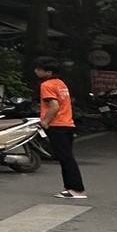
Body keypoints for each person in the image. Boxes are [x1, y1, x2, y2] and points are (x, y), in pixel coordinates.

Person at [33, 57, 86, 199]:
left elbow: (54, 106)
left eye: (39, 69)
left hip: (57, 125)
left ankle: (77, 189)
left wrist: (45, 122)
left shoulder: (47, 85)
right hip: (68, 124)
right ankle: (69, 187)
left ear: (48, 72)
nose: (36, 71)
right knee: (65, 157)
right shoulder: (61, 84)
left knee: (66, 158)